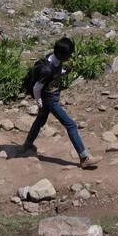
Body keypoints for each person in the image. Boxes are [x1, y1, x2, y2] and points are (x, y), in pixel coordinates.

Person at [20, 37, 97, 168]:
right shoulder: (47, 69)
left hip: (50, 97)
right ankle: (84, 158)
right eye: (69, 54)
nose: (70, 56)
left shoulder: (54, 58)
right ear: (61, 54)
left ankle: (27, 144)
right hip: (49, 100)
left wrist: (64, 72)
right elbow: (36, 88)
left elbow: (55, 73)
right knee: (71, 125)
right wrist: (40, 104)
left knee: (40, 121)